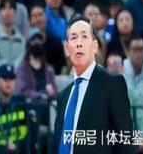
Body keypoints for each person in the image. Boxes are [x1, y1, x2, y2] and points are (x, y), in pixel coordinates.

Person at [52, 16, 134, 154]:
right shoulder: (63, 97)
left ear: (95, 46)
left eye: (84, 37)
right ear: (66, 49)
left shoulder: (113, 84)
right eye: (73, 38)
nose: (79, 44)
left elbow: (125, 142)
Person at [0, 64, 29, 153]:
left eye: (12, 79)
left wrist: (18, 146)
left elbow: (31, 133)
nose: (9, 82)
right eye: (5, 79)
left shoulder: (23, 104)